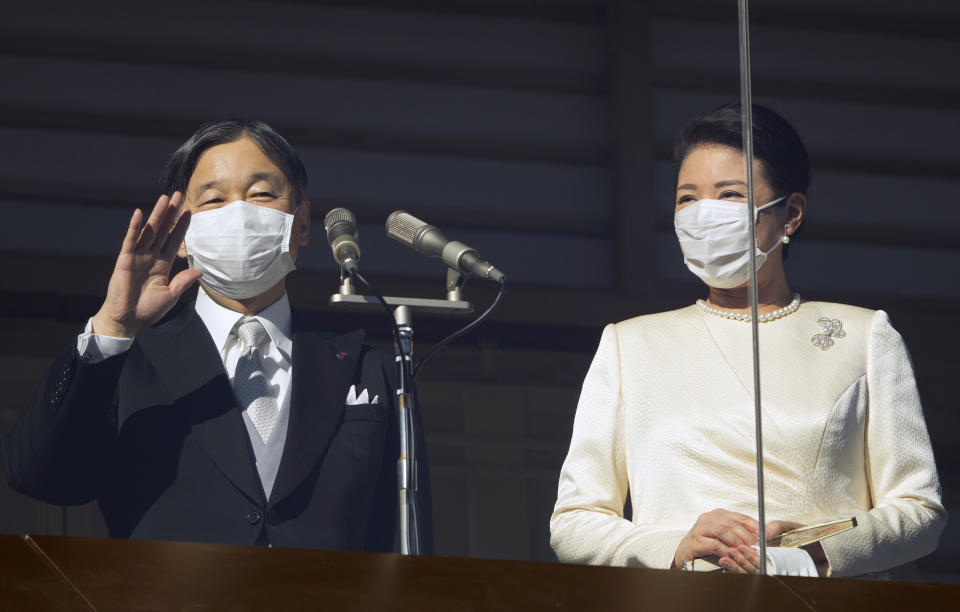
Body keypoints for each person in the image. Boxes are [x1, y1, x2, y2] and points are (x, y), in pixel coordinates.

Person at [549, 103, 944, 577]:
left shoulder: (863, 335)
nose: (703, 214)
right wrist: (677, 546)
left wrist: (811, 550)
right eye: (687, 198)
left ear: (790, 214)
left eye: (730, 194)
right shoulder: (629, 345)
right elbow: (574, 523)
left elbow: (920, 511)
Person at [2, 119, 431, 553]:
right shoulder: (130, 362)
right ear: (182, 234)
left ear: (302, 223)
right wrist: (112, 327)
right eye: (213, 199)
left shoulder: (368, 367)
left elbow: (407, 541)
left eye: (261, 194)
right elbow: (40, 476)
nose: (238, 213)